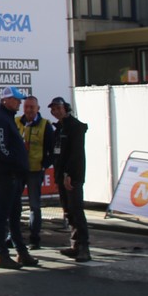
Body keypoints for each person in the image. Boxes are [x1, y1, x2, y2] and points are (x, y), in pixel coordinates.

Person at [0, 88, 38, 270]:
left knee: (15, 214)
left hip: (13, 173)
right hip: (6, 173)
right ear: (6, 100)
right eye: (16, 100)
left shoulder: (7, 118)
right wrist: (16, 161)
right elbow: (1, 149)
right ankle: (1, 254)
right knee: (2, 214)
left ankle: (21, 251)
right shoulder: (1, 120)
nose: (19, 103)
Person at [48, 96, 91, 262]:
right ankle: (75, 244)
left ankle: (84, 247)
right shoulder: (59, 128)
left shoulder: (75, 127)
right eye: (53, 109)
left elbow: (76, 154)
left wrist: (69, 174)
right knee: (68, 211)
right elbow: (57, 154)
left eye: (59, 108)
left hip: (73, 176)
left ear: (66, 108)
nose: (56, 111)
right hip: (61, 176)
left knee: (76, 210)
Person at [16, 95, 52, 249]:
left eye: (32, 107)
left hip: (35, 170)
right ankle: (14, 236)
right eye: (26, 107)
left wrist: (44, 165)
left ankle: (34, 239)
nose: (29, 110)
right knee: (14, 203)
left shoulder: (45, 125)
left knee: (34, 205)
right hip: (18, 170)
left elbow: (51, 148)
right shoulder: (17, 121)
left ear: (38, 108)